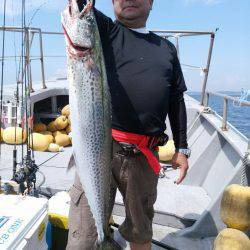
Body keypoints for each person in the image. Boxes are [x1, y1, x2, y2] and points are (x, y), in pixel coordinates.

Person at [66, 0, 190, 249]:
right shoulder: (106, 31)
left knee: (140, 233)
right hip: (99, 148)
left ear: (152, 3)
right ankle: (101, 237)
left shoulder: (166, 49)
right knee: (83, 239)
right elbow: (80, 7)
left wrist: (182, 148)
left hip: (143, 158)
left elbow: (176, 99)